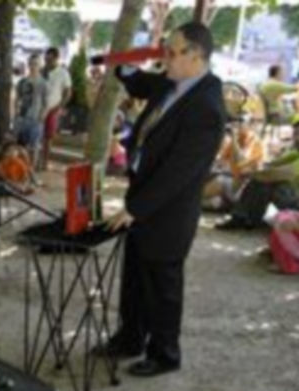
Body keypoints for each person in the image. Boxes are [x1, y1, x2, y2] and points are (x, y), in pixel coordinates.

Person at [101, 23, 226, 377]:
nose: (163, 58)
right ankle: (130, 337)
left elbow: (178, 173)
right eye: (163, 49)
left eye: (171, 52)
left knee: (162, 286)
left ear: (196, 56)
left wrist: (134, 210)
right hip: (142, 197)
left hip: (168, 212)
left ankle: (165, 353)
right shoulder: (175, 82)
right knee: (135, 278)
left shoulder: (207, 106)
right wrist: (122, 65)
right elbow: (144, 83)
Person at [218, 120, 299, 230]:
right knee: (263, 178)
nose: (297, 138)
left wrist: (250, 173)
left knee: (272, 181)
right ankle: (245, 218)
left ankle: (243, 218)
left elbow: (272, 174)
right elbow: (268, 166)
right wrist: (252, 170)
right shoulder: (298, 153)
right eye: (295, 134)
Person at [202, 123, 265, 210]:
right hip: (231, 183)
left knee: (221, 180)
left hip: (240, 187)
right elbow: (221, 161)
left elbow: (242, 166)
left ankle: (194, 200)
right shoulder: (235, 141)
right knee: (215, 201)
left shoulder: (256, 144)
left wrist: (234, 139)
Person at [40, 47, 72, 170]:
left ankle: (45, 161)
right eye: (46, 58)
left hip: (53, 107)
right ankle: (37, 159)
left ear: (56, 58)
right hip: (39, 107)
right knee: (38, 135)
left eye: (50, 59)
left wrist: (59, 106)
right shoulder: (42, 71)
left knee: (48, 136)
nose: (47, 61)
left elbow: (68, 92)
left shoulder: (63, 73)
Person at [14, 53, 48, 169]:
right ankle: (20, 170)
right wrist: (16, 115)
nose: (33, 66)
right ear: (28, 65)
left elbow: (46, 102)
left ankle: (31, 171)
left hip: (35, 119)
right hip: (22, 118)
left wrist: (42, 116)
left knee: (34, 147)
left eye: (36, 64)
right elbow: (17, 99)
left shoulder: (43, 83)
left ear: (40, 66)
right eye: (31, 64)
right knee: (20, 146)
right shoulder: (22, 82)